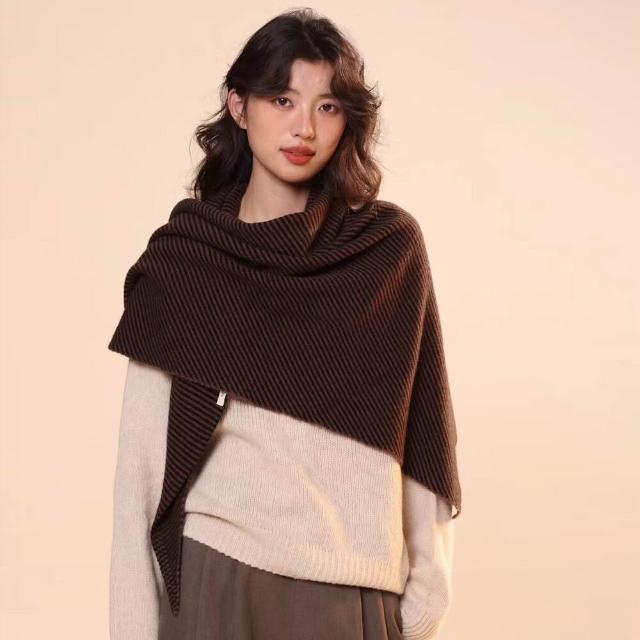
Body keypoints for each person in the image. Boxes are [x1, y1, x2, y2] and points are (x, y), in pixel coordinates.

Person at [108, 8, 460, 640]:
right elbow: (140, 474)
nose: (305, 128)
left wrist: (427, 595)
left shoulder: (386, 250)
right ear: (239, 106)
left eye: (327, 106)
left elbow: (421, 427)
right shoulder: (188, 260)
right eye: (282, 99)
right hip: (217, 575)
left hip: (351, 591)